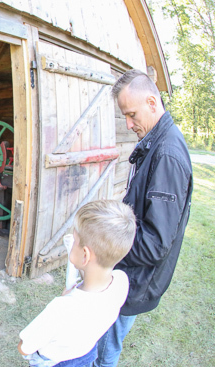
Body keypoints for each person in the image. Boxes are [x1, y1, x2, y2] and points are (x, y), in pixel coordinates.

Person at [93, 69, 193, 366]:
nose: (128, 124)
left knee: (106, 350)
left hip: (136, 279)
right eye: (124, 116)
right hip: (129, 273)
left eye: (132, 114)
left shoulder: (167, 155)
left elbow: (156, 243)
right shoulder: (155, 141)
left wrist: (106, 249)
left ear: (152, 102)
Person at [18, 200, 136, 367]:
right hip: (85, 355)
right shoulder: (121, 282)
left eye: (74, 240)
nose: (71, 243)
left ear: (85, 255)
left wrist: (69, 298)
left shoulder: (62, 309)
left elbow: (25, 347)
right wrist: (74, 292)